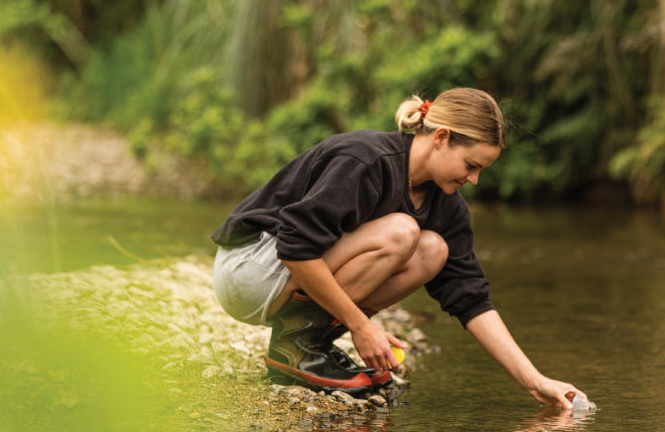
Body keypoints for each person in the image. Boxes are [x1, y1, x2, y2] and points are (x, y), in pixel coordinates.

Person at [211, 87, 589, 408]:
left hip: (285, 275)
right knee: (403, 231)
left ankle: (307, 343)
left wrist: (534, 381)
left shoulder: (446, 204)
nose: (473, 179)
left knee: (434, 251)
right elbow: (295, 247)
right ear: (440, 138)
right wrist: (361, 326)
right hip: (247, 271)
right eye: (471, 165)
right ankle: (297, 344)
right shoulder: (365, 160)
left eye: (480, 171)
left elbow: (470, 297)